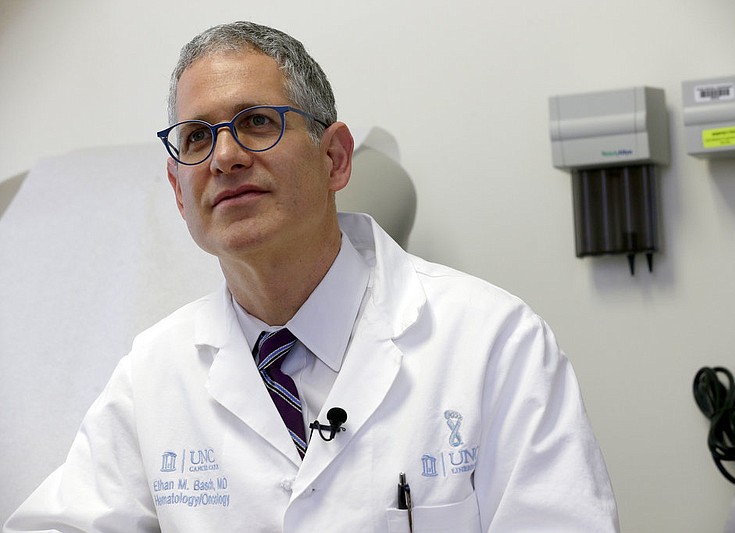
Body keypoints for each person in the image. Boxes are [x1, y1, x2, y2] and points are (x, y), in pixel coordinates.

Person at [4, 21, 618, 532]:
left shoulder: (493, 344)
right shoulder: (153, 375)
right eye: (197, 137)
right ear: (177, 190)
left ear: (335, 158)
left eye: (256, 123)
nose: (224, 157)